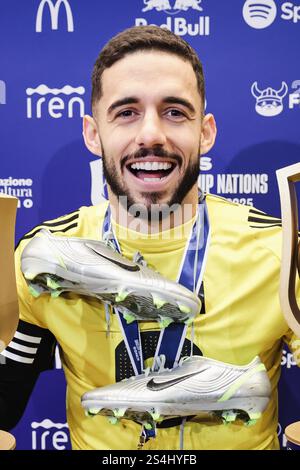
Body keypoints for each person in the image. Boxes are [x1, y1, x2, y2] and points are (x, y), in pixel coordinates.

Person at [0, 25, 299, 450]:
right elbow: (3, 405)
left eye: (175, 112)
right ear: (92, 133)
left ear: (206, 132)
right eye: (126, 112)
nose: (151, 135)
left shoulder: (281, 250)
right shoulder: (44, 257)